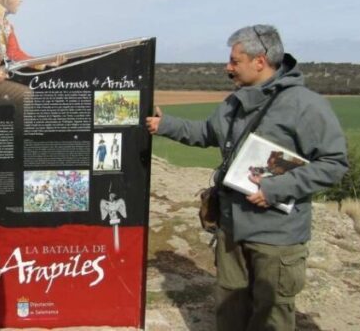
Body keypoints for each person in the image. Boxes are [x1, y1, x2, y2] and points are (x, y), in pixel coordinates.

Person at [146, 24, 348, 330]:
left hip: (276, 235)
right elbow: (207, 133)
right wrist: (166, 125)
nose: (228, 68)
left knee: (271, 315)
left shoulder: (305, 106)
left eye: (234, 61)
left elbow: (333, 163)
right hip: (231, 228)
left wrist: (277, 189)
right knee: (230, 309)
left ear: (260, 61)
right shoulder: (235, 102)